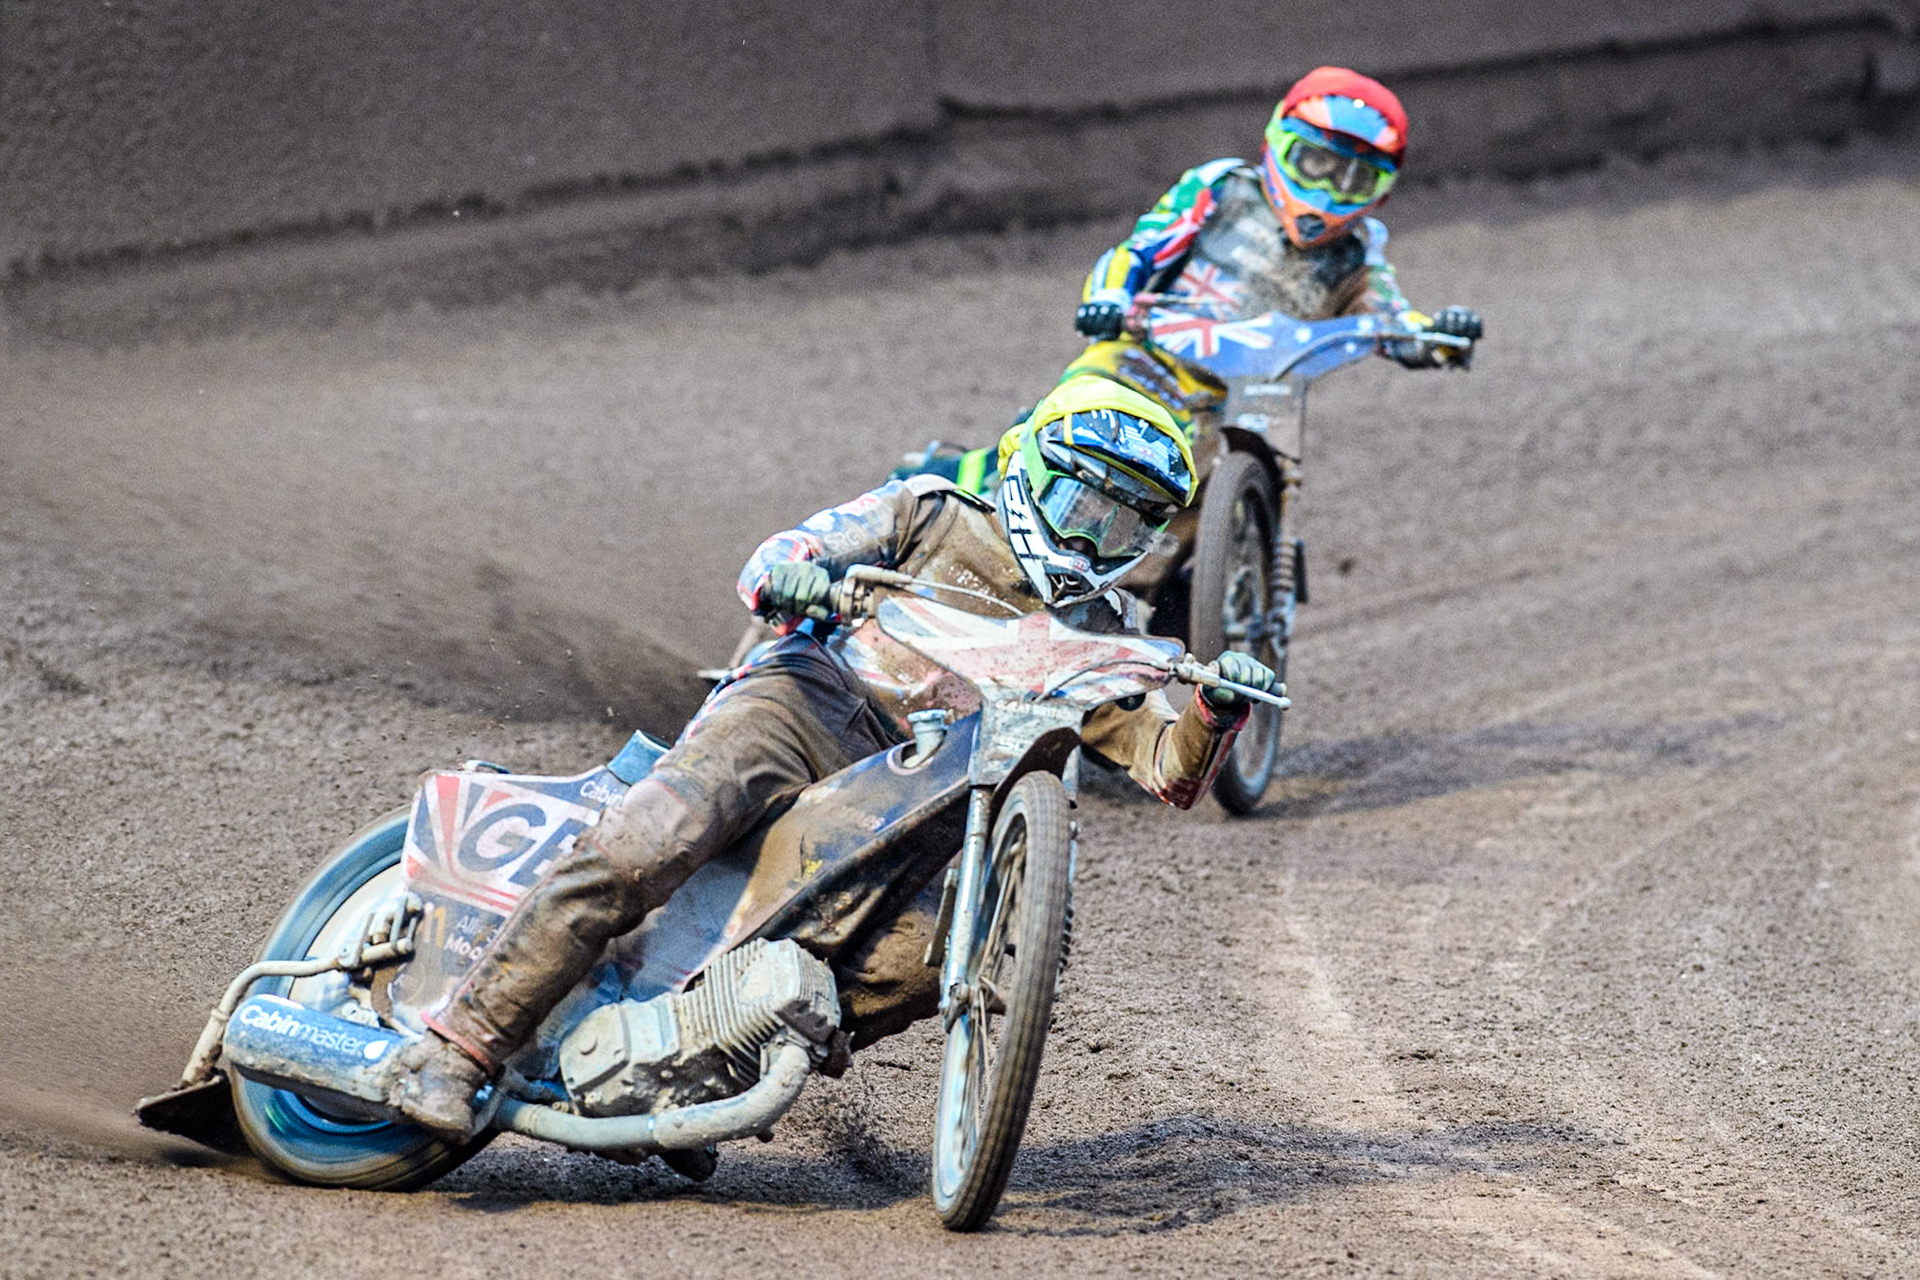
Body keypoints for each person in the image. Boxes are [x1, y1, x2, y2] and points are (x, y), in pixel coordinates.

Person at [385, 375, 1278, 1137]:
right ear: (1028, 469)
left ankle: (690, 1066)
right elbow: (783, 554)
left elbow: (1170, 769)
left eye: (1125, 529)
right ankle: (457, 1045)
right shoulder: (931, 513)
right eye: (1082, 504)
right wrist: (797, 577)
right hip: (807, 704)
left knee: (918, 969)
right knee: (647, 844)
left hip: (920, 800)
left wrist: (1213, 705)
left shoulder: (1103, 639)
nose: (1091, 542)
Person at [1067, 65, 1482, 428]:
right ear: (1277, 144)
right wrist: (1110, 299)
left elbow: (1389, 320)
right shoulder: (1222, 188)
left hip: (1246, 404)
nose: (1326, 190)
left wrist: (1438, 335)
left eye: (1353, 179)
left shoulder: (1357, 255)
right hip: (1148, 360)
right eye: (1315, 163)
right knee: (1077, 402)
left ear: (1381, 193)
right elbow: (1139, 249)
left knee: (1272, 477)